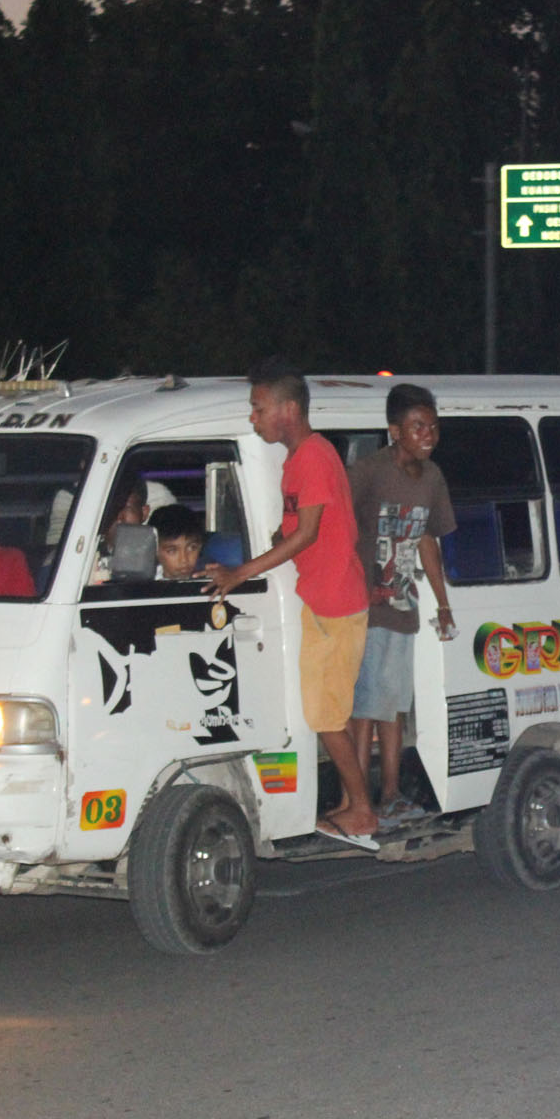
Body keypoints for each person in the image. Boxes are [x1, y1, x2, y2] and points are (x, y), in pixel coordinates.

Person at [204, 359, 379, 848]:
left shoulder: (313, 458)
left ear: (288, 408)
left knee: (326, 717)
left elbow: (306, 533)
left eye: (258, 408)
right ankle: (350, 805)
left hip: (336, 603)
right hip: (324, 599)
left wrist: (242, 571)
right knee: (327, 714)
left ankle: (362, 811)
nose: (253, 418)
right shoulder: (301, 458)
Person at [346, 383, 456, 828]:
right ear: (395, 431)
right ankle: (359, 802)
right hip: (362, 609)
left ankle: (389, 796)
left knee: (393, 706)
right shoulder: (368, 472)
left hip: (401, 607)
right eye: (417, 426)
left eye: (432, 426)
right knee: (365, 709)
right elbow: (333, 524)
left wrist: (442, 603)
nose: (427, 434)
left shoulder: (431, 478)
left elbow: (427, 539)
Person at [148, 503, 207, 580]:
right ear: (155, 551)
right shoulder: (145, 586)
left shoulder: (207, 579)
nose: (184, 560)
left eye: (192, 548)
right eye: (172, 551)